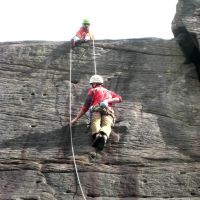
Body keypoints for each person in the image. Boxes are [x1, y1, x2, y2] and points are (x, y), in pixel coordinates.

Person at [71, 75, 122, 151]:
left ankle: (97, 135)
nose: (91, 86)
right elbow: (119, 99)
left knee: (95, 122)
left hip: (96, 109)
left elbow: (86, 106)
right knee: (107, 125)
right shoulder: (109, 92)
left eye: (92, 84)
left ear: (94, 84)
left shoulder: (93, 90)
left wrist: (76, 118)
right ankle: (104, 137)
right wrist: (108, 101)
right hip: (108, 110)